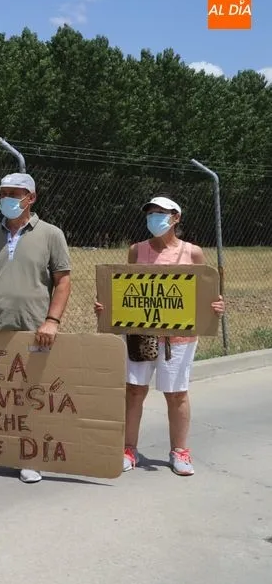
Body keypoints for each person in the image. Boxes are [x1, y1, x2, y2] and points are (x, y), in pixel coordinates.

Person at [94, 196, 224, 476]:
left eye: (161, 213)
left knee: (176, 394)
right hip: (140, 335)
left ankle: (180, 451)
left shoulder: (192, 253)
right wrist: (108, 307)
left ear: (176, 218)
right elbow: (127, 289)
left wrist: (215, 307)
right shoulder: (136, 250)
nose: (154, 218)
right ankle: (128, 449)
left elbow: (205, 294)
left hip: (179, 339)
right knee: (134, 391)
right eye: (150, 213)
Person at [0, 172, 72, 484]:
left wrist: (52, 321)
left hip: (33, 331)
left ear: (31, 198)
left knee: (30, 395)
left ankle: (29, 457)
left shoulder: (51, 235)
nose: (6, 199)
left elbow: (63, 281)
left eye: (13, 193)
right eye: (3, 193)